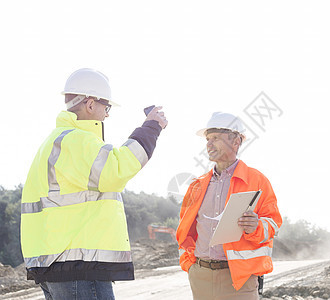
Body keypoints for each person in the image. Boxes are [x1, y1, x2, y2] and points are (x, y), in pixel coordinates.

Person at [20, 68, 168, 299]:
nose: (106, 115)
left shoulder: (54, 141)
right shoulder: (76, 140)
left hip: (56, 264)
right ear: (90, 104)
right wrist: (150, 128)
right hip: (78, 268)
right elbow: (117, 170)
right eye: (106, 107)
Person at [176, 112, 282, 300]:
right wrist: (190, 265)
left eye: (215, 138)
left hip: (239, 280)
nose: (209, 144)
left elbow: (273, 223)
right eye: (208, 139)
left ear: (236, 142)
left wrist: (256, 226)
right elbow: (185, 231)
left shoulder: (257, 180)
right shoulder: (196, 186)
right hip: (200, 277)